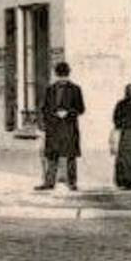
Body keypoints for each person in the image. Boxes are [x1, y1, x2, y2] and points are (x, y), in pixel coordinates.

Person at [37, 62, 85, 191]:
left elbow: (81, 108)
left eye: (64, 76)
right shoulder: (50, 89)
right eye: (60, 76)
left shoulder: (76, 89)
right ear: (56, 75)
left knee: (71, 156)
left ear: (68, 75)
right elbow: (44, 108)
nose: (62, 78)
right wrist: (52, 116)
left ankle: (72, 183)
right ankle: (49, 182)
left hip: (69, 127)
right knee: (52, 155)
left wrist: (68, 113)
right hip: (54, 127)